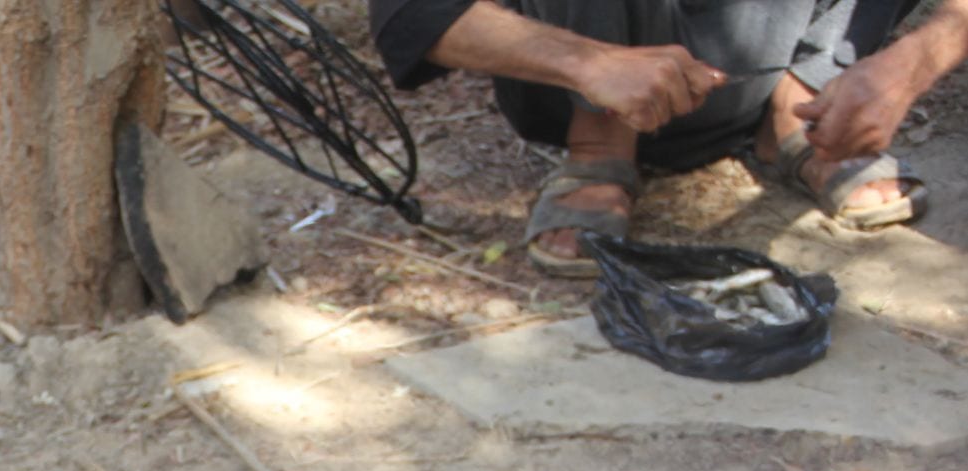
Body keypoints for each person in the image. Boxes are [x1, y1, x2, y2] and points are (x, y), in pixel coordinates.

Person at [368, 0, 968, 275]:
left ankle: (798, 101)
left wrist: (910, 64)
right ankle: (600, 143)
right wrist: (589, 63)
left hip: (791, 47)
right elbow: (410, 12)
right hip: (596, 65)